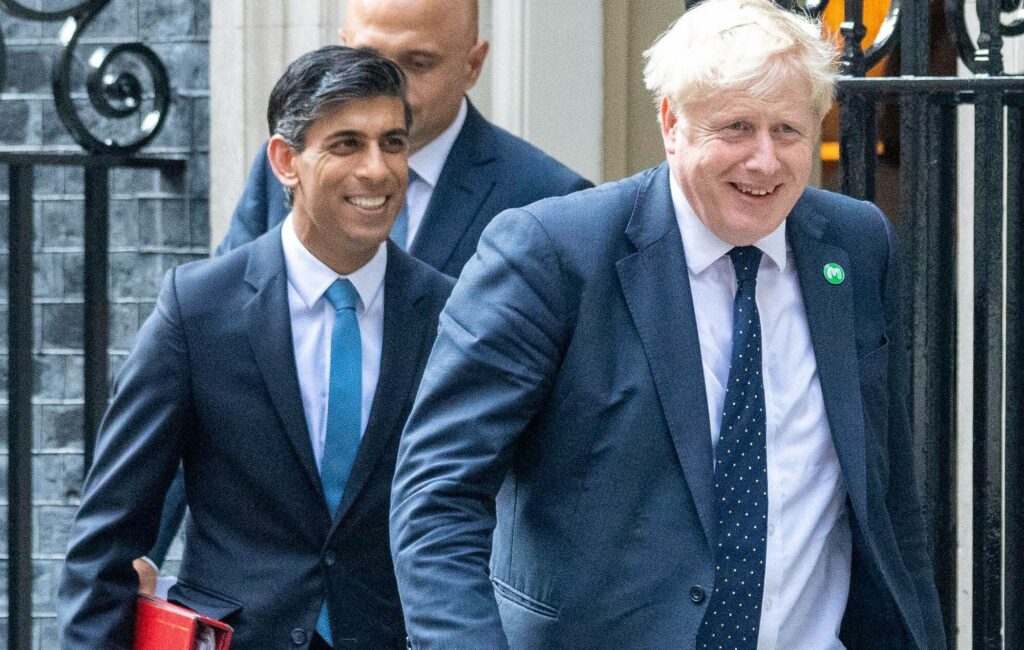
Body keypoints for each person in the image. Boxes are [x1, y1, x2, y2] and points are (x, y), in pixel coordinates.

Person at [389, 1, 945, 648]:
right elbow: (438, 497)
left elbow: (885, 490)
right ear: (671, 123)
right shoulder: (552, 254)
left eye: (788, 131)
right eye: (736, 128)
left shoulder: (855, 244)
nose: (765, 161)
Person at [134, 0, 593, 584]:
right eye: (369, 57)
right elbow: (207, 364)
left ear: (473, 65)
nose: (388, 82)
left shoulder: (546, 201)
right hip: (268, 599)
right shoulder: (291, 166)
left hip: (441, 587)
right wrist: (144, 548)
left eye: (418, 61)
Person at [58, 46, 454, 649]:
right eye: (346, 144)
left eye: (393, 143)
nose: (378, 169)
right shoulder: (197, 309)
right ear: (285, 161)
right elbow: (107, 537)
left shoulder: (451, 314)